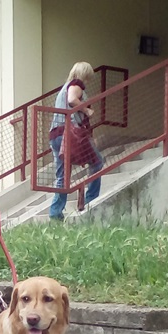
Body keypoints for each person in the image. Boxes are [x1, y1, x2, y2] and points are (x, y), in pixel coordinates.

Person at [48, 61, 104, 221]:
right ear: (85, 74)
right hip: (71, 133)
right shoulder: (76, 84)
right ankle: (90, 200)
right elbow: (73, 100)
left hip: (56, 134)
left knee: (62, 177)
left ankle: (55, 213)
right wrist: (86, 109)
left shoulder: (64, 88)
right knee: (97, 162)